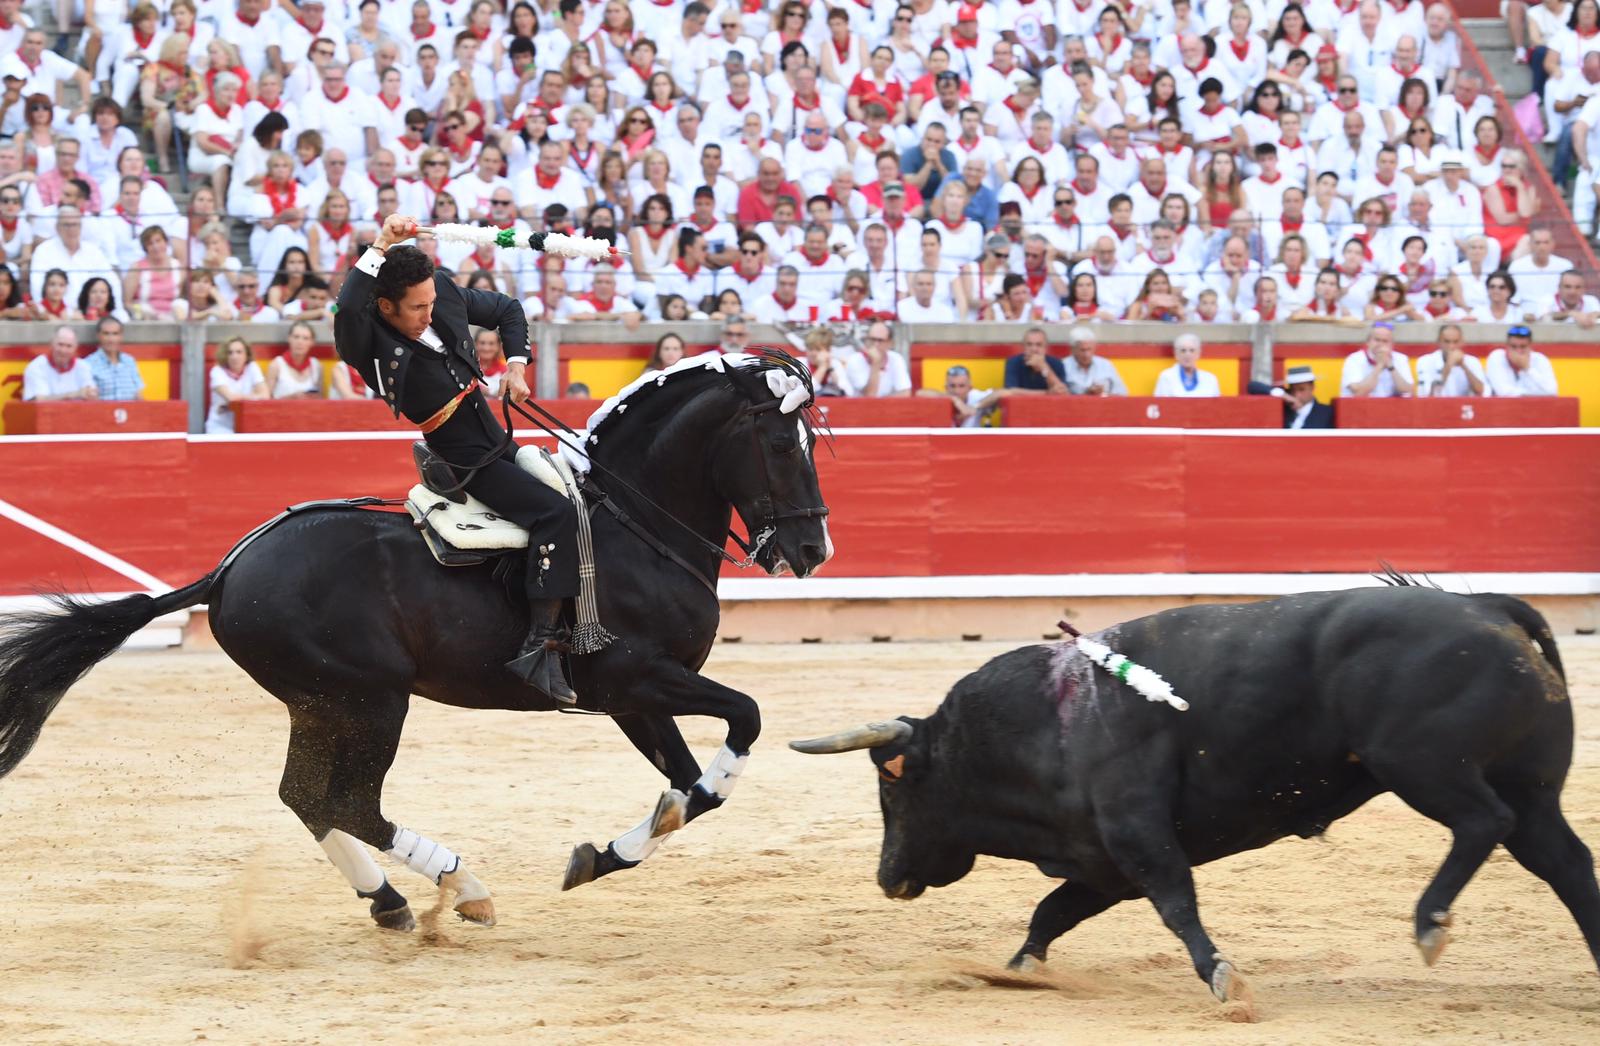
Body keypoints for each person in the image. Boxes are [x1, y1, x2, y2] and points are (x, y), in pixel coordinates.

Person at [333, 213, 582, 706]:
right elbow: (345, 308)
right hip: (465, 458)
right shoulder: (368, 339)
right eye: (417, 307)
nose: (429, 311)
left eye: (430, 301)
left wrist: (515, 365)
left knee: (576, 490)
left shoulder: (441, 291)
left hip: (495, 441)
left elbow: (508, 309)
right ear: (386, 305)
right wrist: (381, 243)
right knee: (556, 513)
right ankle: (537, 647)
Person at [205, 337, 268, 434]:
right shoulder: (217, 371)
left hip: (247, 425)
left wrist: (233, 403)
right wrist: (254, 396)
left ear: (246, 355)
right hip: (220, 426)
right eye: (230, 353)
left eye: (239, 352)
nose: (235, 356)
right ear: (225, 356)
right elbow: (231, 398)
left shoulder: (252, 367)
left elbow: (265, 395)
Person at [1341, 322, 1416, 398]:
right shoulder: (1354, 359)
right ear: (1368, 342)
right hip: (1361, 407)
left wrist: (1390, 366)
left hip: (1392, 407)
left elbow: (1408, 390)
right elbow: (1359, 392)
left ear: (1392, 344)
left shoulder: (1401, 359)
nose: (1380, 344)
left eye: (1385, 341)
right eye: (1377, 340)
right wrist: (1380, 365)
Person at [21, 327, 97, 402]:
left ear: (75, 348)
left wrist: (91, 393)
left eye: (69, 346)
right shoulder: (36, 367)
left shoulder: (83, 366)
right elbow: (37, 401)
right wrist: (73, 395)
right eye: (60, 345)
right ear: (51, 344)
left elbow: (91, 395)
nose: (63, 350)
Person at [1485, 325, 1561, 396]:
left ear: (1530, 346)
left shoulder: (1540, 359)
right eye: (1513, 347)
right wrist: (1535, 393)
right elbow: (1504, 393)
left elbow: (1552, 392)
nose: (1518, 351)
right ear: (1507, 346)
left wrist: (1527, 368)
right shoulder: (1497, 357)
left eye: (1523, 347)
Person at [1413, 324, 1487, 397]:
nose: (1451, 346)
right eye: (1447, 341)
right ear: (1438, 342)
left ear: (1462, 342)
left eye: (1455, 342)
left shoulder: (1473, 361)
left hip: (1464, 407)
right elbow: (1430, 395)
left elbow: (1481, 391)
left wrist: (1464, 366)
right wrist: (1448, 365)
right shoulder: (1425, 361)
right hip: (1437, 407)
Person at [919, 364, 999, 428]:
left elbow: (1002, 393)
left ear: (970, 387)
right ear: (946, 388)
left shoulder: (975, 396)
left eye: (961, 386)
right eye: (952, 386)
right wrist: (954, 399)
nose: (956, 391)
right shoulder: (943, 397)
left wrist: (974, 407)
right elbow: (920, 393)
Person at [846, 321, 913, 397]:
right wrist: (875, 364)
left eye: (880, 340)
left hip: (887, 406)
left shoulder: (896, 358)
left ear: (890, 343)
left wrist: (884, 403)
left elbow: (905, 393)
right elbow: (870, 396)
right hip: (858, 407)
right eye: (872, 339)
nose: (875, 344)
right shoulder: (855, 360)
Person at [84, 317, 144, 401]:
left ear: (121, 336)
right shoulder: (88, 364)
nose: (111, 339)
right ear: (98, 336)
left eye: (115, 334)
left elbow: (138, 396)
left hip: (131, 412)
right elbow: (91, 401)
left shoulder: (130, 361)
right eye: (106, 333)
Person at [1062, 327, 1128, 396]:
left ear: (1094, 347)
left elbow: (1122, 393)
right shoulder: (1063, 366)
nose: (1087, 355)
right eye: (1082, 350)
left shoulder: (1105, 364)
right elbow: (1060, 397)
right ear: (1072, 349)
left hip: (1104, 405)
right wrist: (1086, 394)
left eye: (1089, 349)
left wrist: (1103, 394)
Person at [1003, 326, 1068, 395]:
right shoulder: (1013, 362)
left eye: (1039, 345)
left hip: (1048, 405)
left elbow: (1063, 393)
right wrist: (1047, 393)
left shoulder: (1057, 363)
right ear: (1023, 347)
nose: (1034, 349)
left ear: (1046, 347)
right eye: (1029, 344)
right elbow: (1011, 391)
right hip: (1021, 404)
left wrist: (1044, 367)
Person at [268, 322, 323, 399]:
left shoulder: (316, 365)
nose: (300, 342)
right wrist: (291, 398)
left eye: (305, 338)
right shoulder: (276, 364)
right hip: (282, 410)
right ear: (289, 338)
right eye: (296, 337)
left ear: (312, 342)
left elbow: (320, 398)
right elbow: (266, 399)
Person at [1153, 334, 1220, 397]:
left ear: (1198, 353)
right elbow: (1160, 405)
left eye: (1192, 350)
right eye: (1183, 350)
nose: (1187, 355)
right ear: (1176, 354)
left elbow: (1217, 406)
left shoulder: (1210, 379)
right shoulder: (1166, 377)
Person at [1279, 364, 1335, 429]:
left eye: (1301, 389)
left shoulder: (1326, 412)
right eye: (1292, 390)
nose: (1296, 394)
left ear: (1312, 387)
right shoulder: (1283, 411)